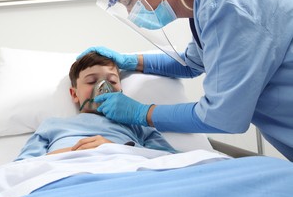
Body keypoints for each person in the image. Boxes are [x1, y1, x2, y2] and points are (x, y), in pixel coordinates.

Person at [78, 0, 293, 161]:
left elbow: (221, 117)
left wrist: (142, 113)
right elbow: (191, 63)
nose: (131, 13)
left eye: (129, 2)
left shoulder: (224, 2)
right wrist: (131, 61)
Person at [15, 52, 176, 159]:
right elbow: (22, 167)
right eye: (92, 81)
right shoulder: (53, 125)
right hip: (65, 173)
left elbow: (171, 161)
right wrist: (76, 152)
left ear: (121, 91)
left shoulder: (138, 126)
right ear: (74, 94)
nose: (103, 86)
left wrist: (115, 149)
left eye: (112, 81)